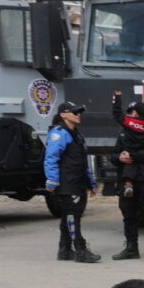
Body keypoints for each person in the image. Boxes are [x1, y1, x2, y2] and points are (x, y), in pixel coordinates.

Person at [110, 91, 144, 262]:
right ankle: (131, 248)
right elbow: (113, 155)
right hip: (127, 179)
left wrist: (134, 156)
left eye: (130, 112)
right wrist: (119, 158)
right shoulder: (124, 132)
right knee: (129, 215)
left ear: (134, 113)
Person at [43, 101, 101, 263]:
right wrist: (52, 180)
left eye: (79, 112)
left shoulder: (77, 134)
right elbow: (51, 158)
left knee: (68, 216)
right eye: (74, 112)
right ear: (63, 114)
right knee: (72, 216)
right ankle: (80, 250)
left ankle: (65, 250)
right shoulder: (59, 133)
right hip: (68, 183)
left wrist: (91, 183)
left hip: (78, 181)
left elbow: (82, 162)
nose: (78, 114)